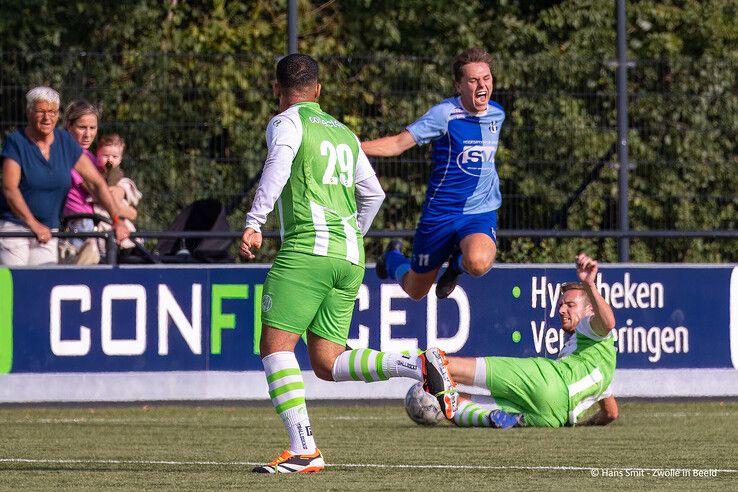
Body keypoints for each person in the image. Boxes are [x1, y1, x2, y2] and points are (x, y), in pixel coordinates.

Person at [240, 54, 456, 474]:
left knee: (275, 347)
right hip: (350, 255)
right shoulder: (343, 132)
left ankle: (304, 449)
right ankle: (415, 363)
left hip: (308, 251)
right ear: (318, 90)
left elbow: (277, 167)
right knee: (326, 361)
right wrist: (351, 233)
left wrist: (254, 222)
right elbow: (373, 193)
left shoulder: (285, 122)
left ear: (276, 89)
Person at [362, 47, 505, 300]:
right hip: (440, 214)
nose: (482, 85)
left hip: (478, 212)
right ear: (459, 85)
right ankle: (392, 257)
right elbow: (398, 144)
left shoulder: (497, 113)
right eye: (473, 80)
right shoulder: (444, 115)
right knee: (415, 291)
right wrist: (355, 147)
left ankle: (455, 267)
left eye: (486, 78)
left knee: (479, 262)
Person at [425, 252, 618, 428]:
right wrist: (583, 425)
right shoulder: (595, 364)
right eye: (560, 304)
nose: (561, 310)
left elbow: (608, 323)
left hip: (548, 386)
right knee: (457, 404)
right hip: (552, 418)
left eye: (570, 305)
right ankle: (492, 418)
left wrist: (589, 285)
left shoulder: (590, 329)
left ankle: (395, 363)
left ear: (589, 311)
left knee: (444, 365)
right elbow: (611, 412)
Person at [0, 86, 129, 265]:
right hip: (15, 228)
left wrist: (116, 219)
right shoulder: (16, 142)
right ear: (29, 112)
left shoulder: (65, 142)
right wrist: (33, 224)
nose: (47, 117)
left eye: (53, 112)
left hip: (48, 231)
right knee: (13, 285)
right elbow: (9, 188)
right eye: (41, 111)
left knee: (44, 287)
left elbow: (97, 183)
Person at [60, 100, 103, 253]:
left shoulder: (89, 155)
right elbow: (97, 191)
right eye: (82, 127)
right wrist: (124, 209)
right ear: (69, 126)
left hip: (95, 219)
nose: (88, 134)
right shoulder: (69, 153)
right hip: (79, 223)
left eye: (93, 128)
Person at [93, 134, 141, 252]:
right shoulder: (94, 172)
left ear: (120, 159)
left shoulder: (117, 175)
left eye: (114, 156)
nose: (110, 159)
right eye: (105, 155)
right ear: (98, 155)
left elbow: (114, 192)